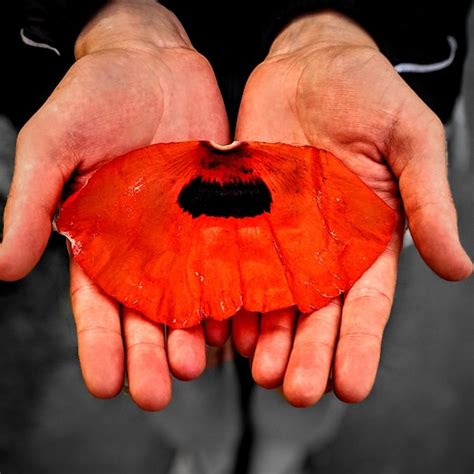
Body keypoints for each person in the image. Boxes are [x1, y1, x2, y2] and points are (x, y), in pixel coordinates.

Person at [0, 0, 472, 472]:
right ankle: (208, 447)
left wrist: (348, 23)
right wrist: (108, 20)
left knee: (317, 329)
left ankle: (286, 443)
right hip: (138, 115)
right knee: (178, 341)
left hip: (340, 119)